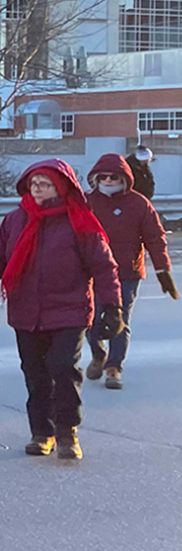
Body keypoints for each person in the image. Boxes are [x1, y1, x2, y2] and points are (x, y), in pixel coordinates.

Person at [0, 159, 122, 460]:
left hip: (70, 310)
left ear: (61, 186)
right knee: (36, 374)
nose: (37, 188)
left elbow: (104, 267)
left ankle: (68, 432)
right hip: (26, 311)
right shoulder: (16, 220)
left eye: (44, 183)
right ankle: (42, 432)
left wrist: (112, 307)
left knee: (64, 368)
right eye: (33, 183)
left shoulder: (80, 221)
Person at [84, 154, 176, 389]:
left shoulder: (138, 203)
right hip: (91, 273)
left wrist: (162, 269)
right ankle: (97, 353)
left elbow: (155, 238)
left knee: (120, 319)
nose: (107, 180)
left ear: (124, 178)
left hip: (126, 272)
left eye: (113, 177)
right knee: (88, 318)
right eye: (102, 177)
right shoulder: (86, 202)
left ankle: (114, 367)